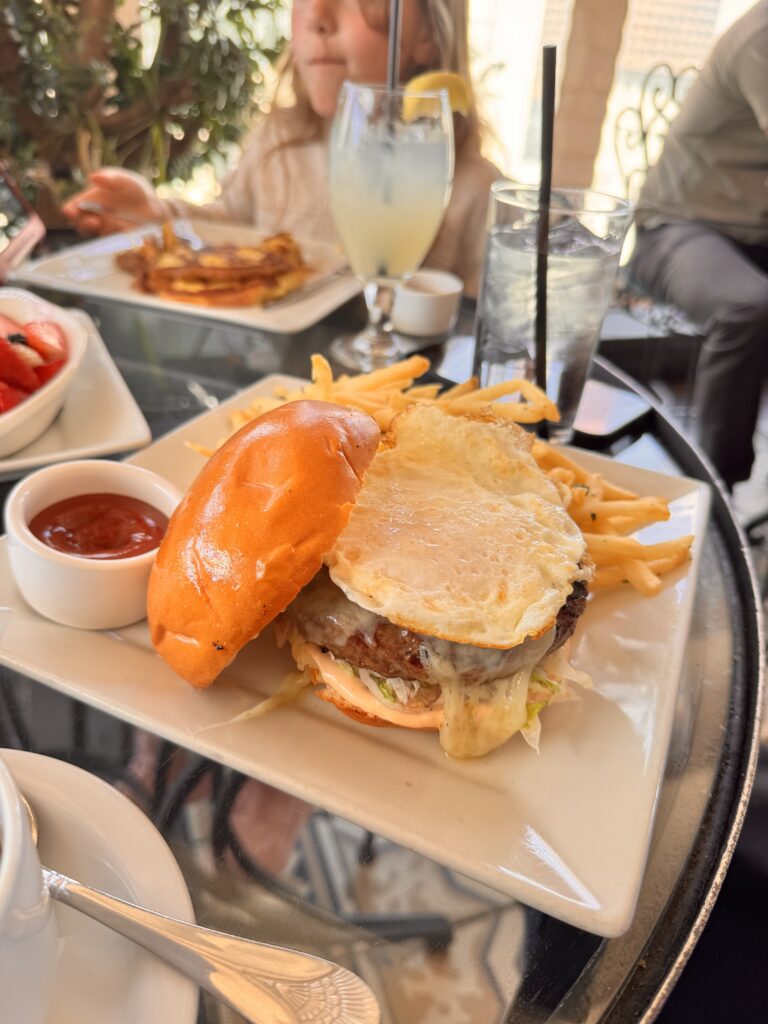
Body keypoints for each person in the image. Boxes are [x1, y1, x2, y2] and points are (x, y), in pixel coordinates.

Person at [62, 0, 500, 297]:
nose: (317, 16)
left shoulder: (476, 190)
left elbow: (495, 337)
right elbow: (228, 228)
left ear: (428, 32)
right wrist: (158, 215)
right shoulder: (278, 140)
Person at [628, 0, 768, 490]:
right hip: (677, 228)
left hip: (755, 237)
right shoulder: (763, 36)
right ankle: (715, 488)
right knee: (746, 307)